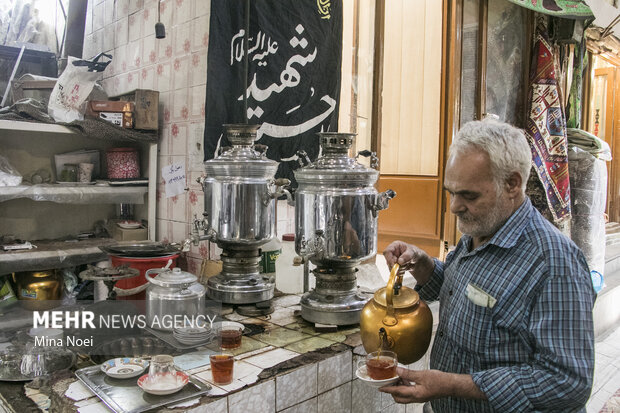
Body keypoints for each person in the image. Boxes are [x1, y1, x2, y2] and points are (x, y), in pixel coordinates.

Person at [380, 119, 596, 412]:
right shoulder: (481, 228)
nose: (454, 206)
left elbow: (567, 381)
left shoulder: (554, 263)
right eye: (450, 192)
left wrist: (454, 385)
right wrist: (423, 263)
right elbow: (463, 290)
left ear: (512, 184)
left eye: (468, 195)